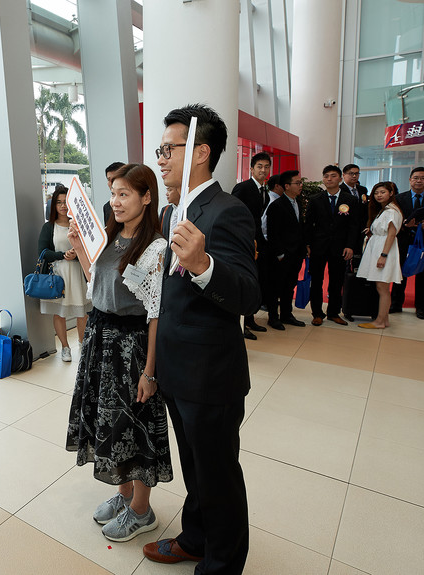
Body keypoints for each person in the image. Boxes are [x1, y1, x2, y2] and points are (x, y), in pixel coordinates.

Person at [145, 104, 260, 573]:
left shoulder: (227, 210)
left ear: (200, 153)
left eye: (169, 149)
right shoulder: (174, 210)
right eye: (161, 149)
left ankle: (222, 564)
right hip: (176, 370)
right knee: (195, 469)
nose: (161, 158)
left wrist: (203, 267)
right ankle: (195, 537)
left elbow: (249, 293)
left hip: (211, 377)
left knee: (218, 478)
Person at [65, 163, 172, 543]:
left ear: (147, 197)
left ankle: (142, 511)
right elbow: (98, 284)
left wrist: (150, 371)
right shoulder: (110, 237)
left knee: (134, 427)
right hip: (101, 340)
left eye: (124, 194)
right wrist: (80, 246)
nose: (116, 202)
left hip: (130, 347)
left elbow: (156, 313)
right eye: (113, 194)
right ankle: (124, 494)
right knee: (109, 424)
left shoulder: (156, 247)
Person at [38, 183, 91, 362]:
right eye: (58, 202)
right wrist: (63, 254)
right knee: (59, 313)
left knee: (81, 312)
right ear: (53, 205)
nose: (62, 206)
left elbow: (88, 248)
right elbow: (43, 252)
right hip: (58, 275)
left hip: (77, 272)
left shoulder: (79, 224)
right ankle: (65, 347)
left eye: (65, 202)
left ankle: (83, 344)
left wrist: (76, 254)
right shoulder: (49, 227)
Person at [304, 164, 361, 326]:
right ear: (323, 179)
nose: (329, 179)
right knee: (316, 281)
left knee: (337, 281)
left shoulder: (350, 200)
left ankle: (334, 312)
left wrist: (350, 246)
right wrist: (307, 244)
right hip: (318, 247)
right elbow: (309, 224)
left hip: (340, 247)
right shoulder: (315, 199)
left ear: (340, 179)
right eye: (326, 176)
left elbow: (354, 225)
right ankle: (317, 313)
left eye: (333, 176)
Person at [390, 167, 424, 319]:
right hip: (404, 242)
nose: (419, 181)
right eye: (415, 178)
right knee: (400, 274)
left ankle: (421, 307)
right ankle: (396, 304)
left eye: (422, 178)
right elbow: (394, 220)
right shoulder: (400, 198)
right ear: (410, 180)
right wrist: (404, 225)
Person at [231, 152, 272, 340]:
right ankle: (242, 323)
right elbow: (234, 216)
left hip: (259, 243)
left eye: (266, 167)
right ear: (251, 168)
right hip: (245, 243)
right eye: (259, 167)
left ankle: (251, 318)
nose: (263, 170)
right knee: (245, 282)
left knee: (256, 280)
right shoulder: (243, 188)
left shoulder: (264, 190)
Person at [356, 182, 404, 329]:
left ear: (391, 193)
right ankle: (385, 319)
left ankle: (380, 321)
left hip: (384, 249)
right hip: (378, 247)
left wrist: (383, 255)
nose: (378, 195)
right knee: (380, 287)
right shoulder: (383, 210)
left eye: (382, 192)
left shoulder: (391, 211)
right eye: (376, 193)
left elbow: (391, 235)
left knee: (382, 288)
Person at [264, 170, 307, 330]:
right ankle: (273, 317)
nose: (300, 185)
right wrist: (280, 254)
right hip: (281, 255)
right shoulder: (277, 205)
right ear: (287, 186)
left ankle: (287, 314)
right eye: (297, 183)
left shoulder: (298, 202)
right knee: (275, 287)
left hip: (296, 253)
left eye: (300, 182)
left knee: (289, 286)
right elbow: (273, 232)